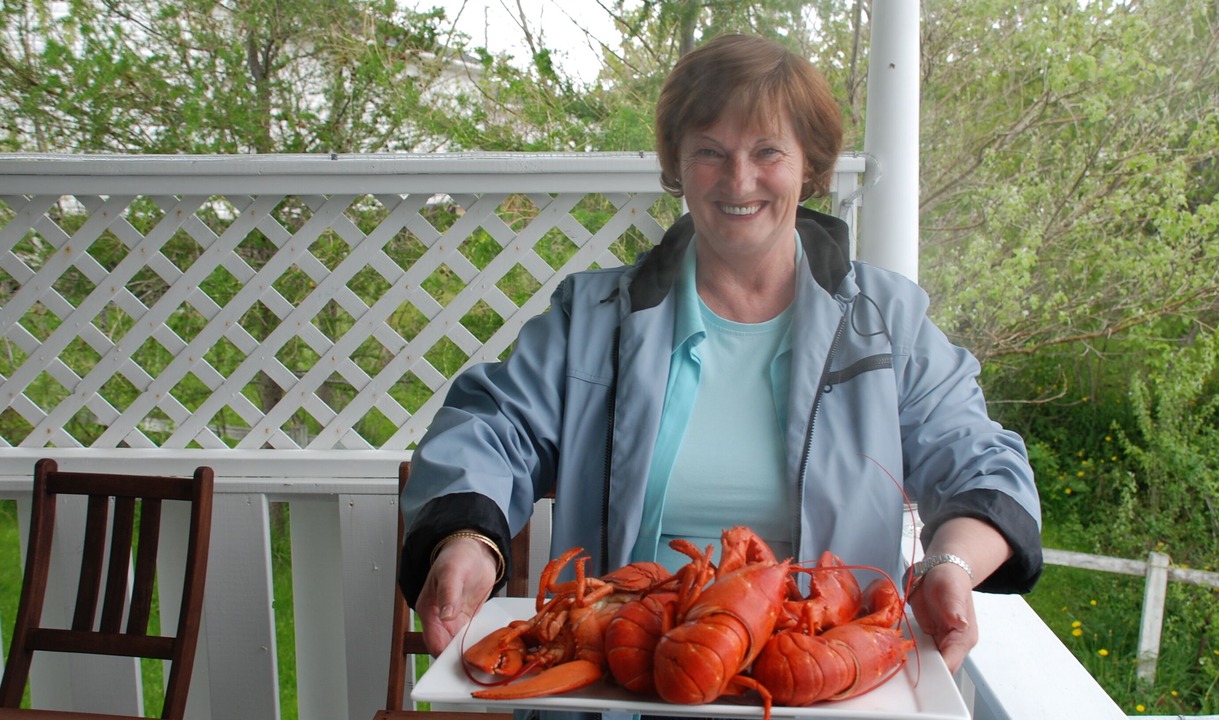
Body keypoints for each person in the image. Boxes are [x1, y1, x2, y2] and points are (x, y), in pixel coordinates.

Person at [399, 33, 1042, 684]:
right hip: (621, 681)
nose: (739, 180)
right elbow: (491, 428)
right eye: (710, 153)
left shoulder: (888, 321)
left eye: (768, 152)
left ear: (809, 165)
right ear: (677, 165)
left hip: (817, 681)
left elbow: (980, 463)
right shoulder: (591, 315)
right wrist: (466, 541)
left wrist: (950, 567)